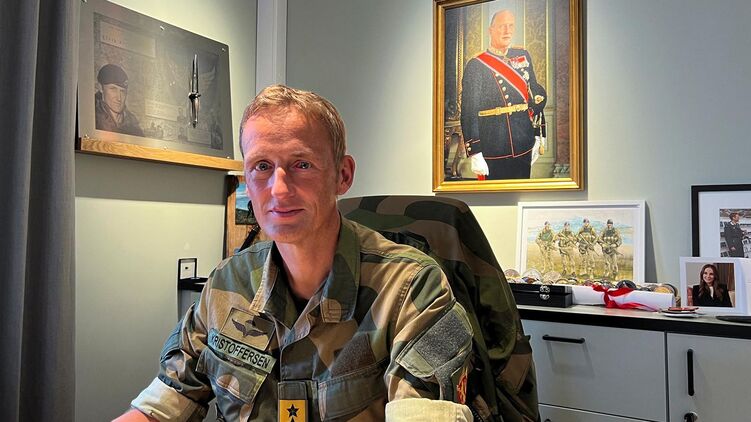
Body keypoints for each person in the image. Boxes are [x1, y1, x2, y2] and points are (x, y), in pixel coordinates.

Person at [116, 85, 473, 421]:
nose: (279, 189)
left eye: (302, 164)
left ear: (343, 175)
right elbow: (164, 403)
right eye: (262, 166)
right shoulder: (227, 284)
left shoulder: (411, 289)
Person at [460, 9, 547, 180]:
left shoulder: (523, 55)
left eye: (510, 26)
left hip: (524, 142)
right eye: (502, 26)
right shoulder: (476, 65)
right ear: (490, 30)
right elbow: (469, 111)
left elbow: (535, 96)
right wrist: (475, 152)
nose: (507, 31)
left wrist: (538, 134)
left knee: (521, 193)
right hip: (493, 146)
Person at [95, 63, 144, 137]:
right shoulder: (92, 117)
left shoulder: (133, 124)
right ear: (100, 88)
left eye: (122, 91)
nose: (119, 98)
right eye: (113, 89)